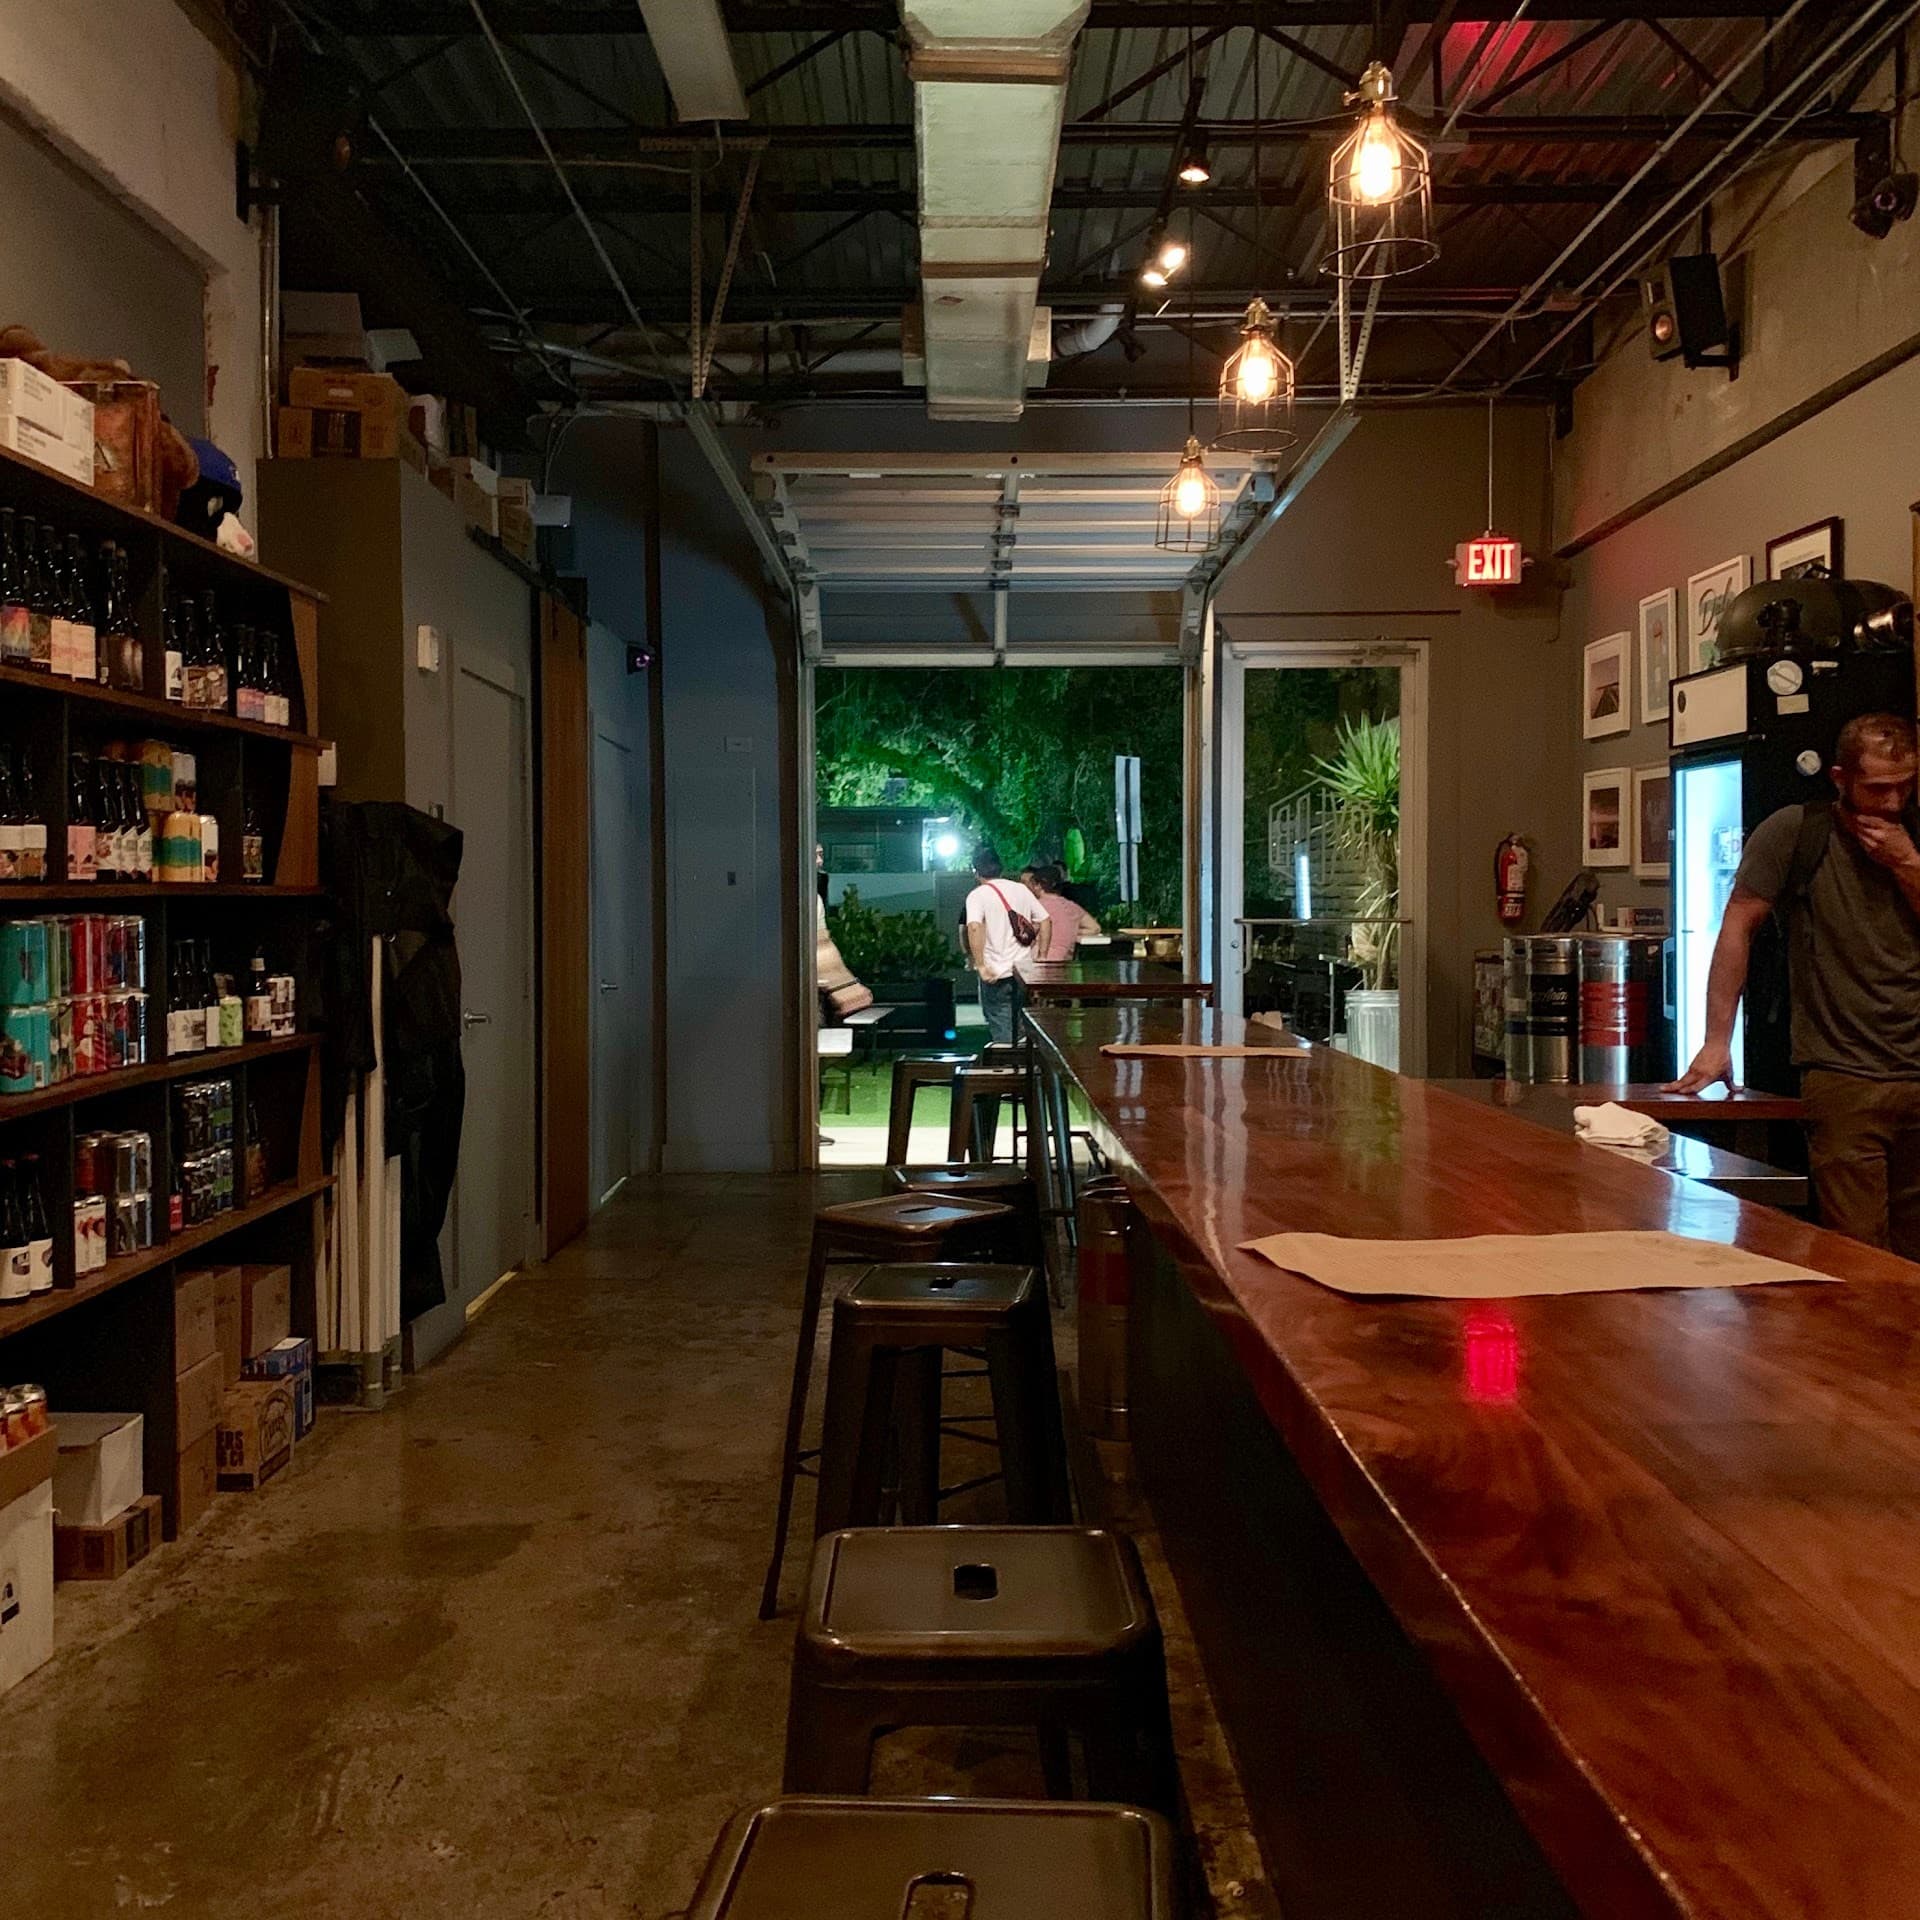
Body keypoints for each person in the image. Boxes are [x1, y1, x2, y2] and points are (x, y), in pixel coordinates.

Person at [1670, 711, 1920, 1255]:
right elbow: (1737, 926)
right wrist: (1717, 1042)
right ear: (1839, 778)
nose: (1893, 803)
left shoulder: (1912, 837)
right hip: (1845, 1074)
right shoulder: (1798, 831)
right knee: (1860, 1257)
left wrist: (1907, 864)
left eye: (1905, 786)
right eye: (1878, 789)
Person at [964, 845, 1048, 1045]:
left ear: (976, 871)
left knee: (1001, 1024)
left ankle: (1009, 1070)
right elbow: (1045, 920)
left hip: (996, 973)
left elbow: (974, 927)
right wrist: (1042, 955)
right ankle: (1027, 1070)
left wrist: (981, 965)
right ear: (1000, 868)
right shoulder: (1020, 889)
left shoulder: (977, 895)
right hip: (1024, 972)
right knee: (1023, 1025)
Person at [1028, 862, 1102, 962]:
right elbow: (1095, 928)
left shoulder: (1035, 906)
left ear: (1038, 885)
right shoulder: (1072, 907)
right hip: (1065, 965)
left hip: (1038, 962)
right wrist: (1071, 930)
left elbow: (1027, 935)